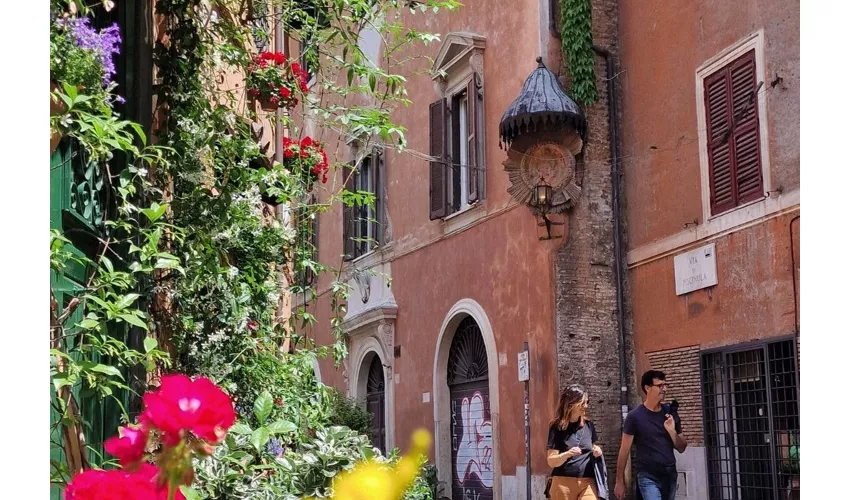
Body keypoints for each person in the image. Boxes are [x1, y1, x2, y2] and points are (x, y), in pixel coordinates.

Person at [614, 370, 687, 500]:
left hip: (669, 475)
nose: (664, 389)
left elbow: (681, 447)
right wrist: (619, 482)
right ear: (647, 388)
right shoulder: (634, 417)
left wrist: (672, 432)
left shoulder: (670, 413)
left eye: (665, 385)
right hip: (647, 476)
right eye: (660, 386)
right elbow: (624, 450)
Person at [546, 384, 608, 500]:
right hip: (562, 482)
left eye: (587, 402)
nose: (586, 406)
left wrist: (597, 451)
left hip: (588, 481)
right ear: (571, 403)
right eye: (583, 402)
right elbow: (551, 461)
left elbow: (592, 447)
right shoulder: (556, 427)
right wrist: (567, 454)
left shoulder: (589, 425)